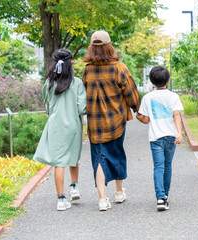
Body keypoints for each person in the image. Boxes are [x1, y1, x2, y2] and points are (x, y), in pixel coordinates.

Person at [82, 30, 141, 211]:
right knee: (116, 154)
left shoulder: (87, 71)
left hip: (95, 123)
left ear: (92, 48)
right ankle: (118, 191)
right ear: (109, 46)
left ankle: (102, 198)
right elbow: (131, 93)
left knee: (99, 158)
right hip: (116, 121)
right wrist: (138, 109)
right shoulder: (119, 68)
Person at [33, 48, 86, 211]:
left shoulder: (49, 83)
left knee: (59, 163)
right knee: (73, 156)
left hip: (56, 126)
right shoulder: (76, 83)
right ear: (71, 63)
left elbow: (48, 107)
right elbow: (82, 108)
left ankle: (61, 200)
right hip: (73, 125)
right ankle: (74, 187)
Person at [136, 65, 183, 211]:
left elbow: (146, 119)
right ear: (168, 80)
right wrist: (179, 133)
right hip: (171, 137)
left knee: (158, 166)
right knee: (168, 165)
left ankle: (160, 198)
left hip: (156, 137)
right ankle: (166, 195)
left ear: (151, 81)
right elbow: (176, 114)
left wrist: (138, 116)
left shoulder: (148, 97)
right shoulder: (173, 96)